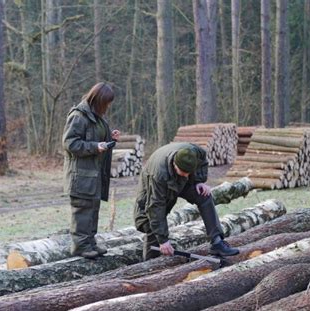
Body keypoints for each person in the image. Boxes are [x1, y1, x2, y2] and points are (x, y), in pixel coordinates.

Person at [134, 142, 239, 261]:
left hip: (179, 182)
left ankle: (217, 242)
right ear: (174, 164)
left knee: (204, 195)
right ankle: (148, 265)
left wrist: (199, 181)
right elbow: (155, 206)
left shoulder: (195, 152)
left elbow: (203, 159)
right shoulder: (158, 175)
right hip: (156, 184)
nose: (185, 175)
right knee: (149, 223)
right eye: (183, 172)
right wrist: (163, 240)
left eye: (188, 173)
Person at [62, 82, 120, 259]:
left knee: (93, 208)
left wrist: (110, 138)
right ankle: (80, 246)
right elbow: (70, 143)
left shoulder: (97, 116)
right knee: (82, 210)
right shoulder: (79, 116)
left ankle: (90, 242)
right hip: (81, 175)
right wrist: (95, 146)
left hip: (94, 174)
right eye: (107, 102)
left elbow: (96, 138)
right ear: (99, 100)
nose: (108, 106)